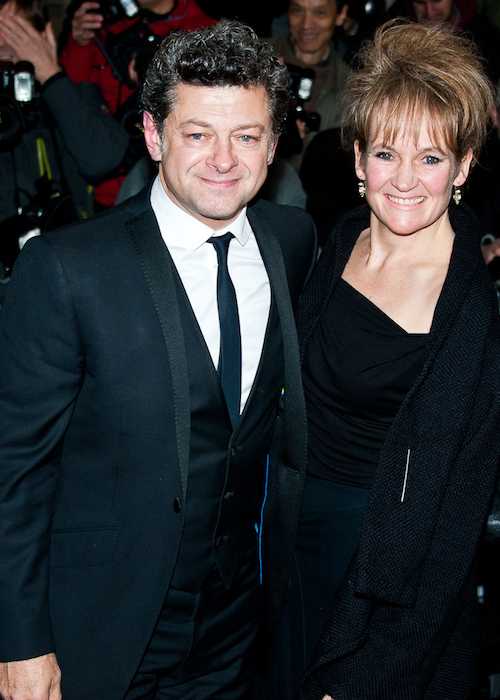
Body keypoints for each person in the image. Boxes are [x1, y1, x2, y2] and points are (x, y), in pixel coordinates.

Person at [0, 20, 316, 700]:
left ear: (275, 144)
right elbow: (14, 472)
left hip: (239, 627)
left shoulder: (292, 240)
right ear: (152, 135)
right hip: (104, 628)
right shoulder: (65, 270)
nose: (223, 159)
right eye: (198, 134)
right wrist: (21, 641)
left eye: (247, 136)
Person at [273, 19, 500, 700]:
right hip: (290, 558)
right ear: (357, 158)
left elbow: (451, 533)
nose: (405, 180)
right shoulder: (337, 244)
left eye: (431, 158)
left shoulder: (474, 316)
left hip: (384, 592)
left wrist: (369, 673)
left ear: (461, 169)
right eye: (386, 154)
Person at [0, 0, 129, 259]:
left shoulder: (64, 95)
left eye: (15, 32)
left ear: (43, 37)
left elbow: (102, 159)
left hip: (71, 256)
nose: (5, 43)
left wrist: (49, 73)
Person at [59, 0, 216, 207]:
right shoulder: (105, 26)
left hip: (182, 183)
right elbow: (71, 98)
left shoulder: (206, 30)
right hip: (112, 183)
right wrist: (79, 42)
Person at [273, 0, 350, 163]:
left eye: (320, 13)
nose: (306, 24)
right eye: (297, 11)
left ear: (340, 15)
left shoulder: (350, 86)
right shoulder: (255, 57)